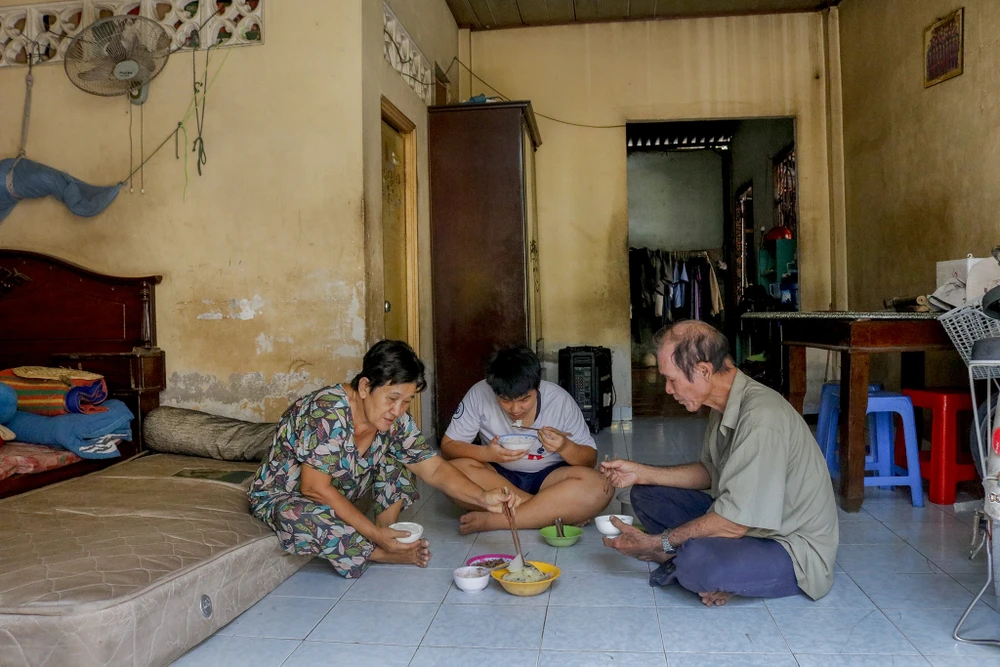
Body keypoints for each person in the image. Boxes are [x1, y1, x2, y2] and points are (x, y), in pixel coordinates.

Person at [601, 320, 838, 607]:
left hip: (787, 545)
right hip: (745, 525)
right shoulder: (723, 404)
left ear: (703, 370)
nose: (667, 389)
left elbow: (734, 523)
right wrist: (640, 473)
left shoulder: (762, 418)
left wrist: (658, 542)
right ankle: (696, 559)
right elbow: (710, 472)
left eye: (672, 379)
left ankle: (694, 563)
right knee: (645, 493)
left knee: (696, 562)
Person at [249, 340, 518, 578]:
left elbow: (434, 469)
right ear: (365, 387)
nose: (397, 410)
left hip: (340, 490)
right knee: (297, 515)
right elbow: (313, 488)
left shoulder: (394, 421)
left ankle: (388, 532)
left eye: (406, 401)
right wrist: (373, 535)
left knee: (398, 458)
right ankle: (381, 551)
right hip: (288, 496)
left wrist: (483, 497)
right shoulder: (327, 411)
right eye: (392, 398)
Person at [441, 345, 613, 534]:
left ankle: (497, 521)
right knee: (450, 472)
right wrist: (486, 453)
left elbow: (589, 460)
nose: (515, 410)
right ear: (493, 389)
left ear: (537, 386)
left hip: (551, 479)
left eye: (524, 400)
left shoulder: (559, 400)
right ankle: (551, 512)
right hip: (497, 477)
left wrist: (565, 447)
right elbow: (448, 447)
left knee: (599, 486)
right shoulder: (479, 394)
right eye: (505, 400)